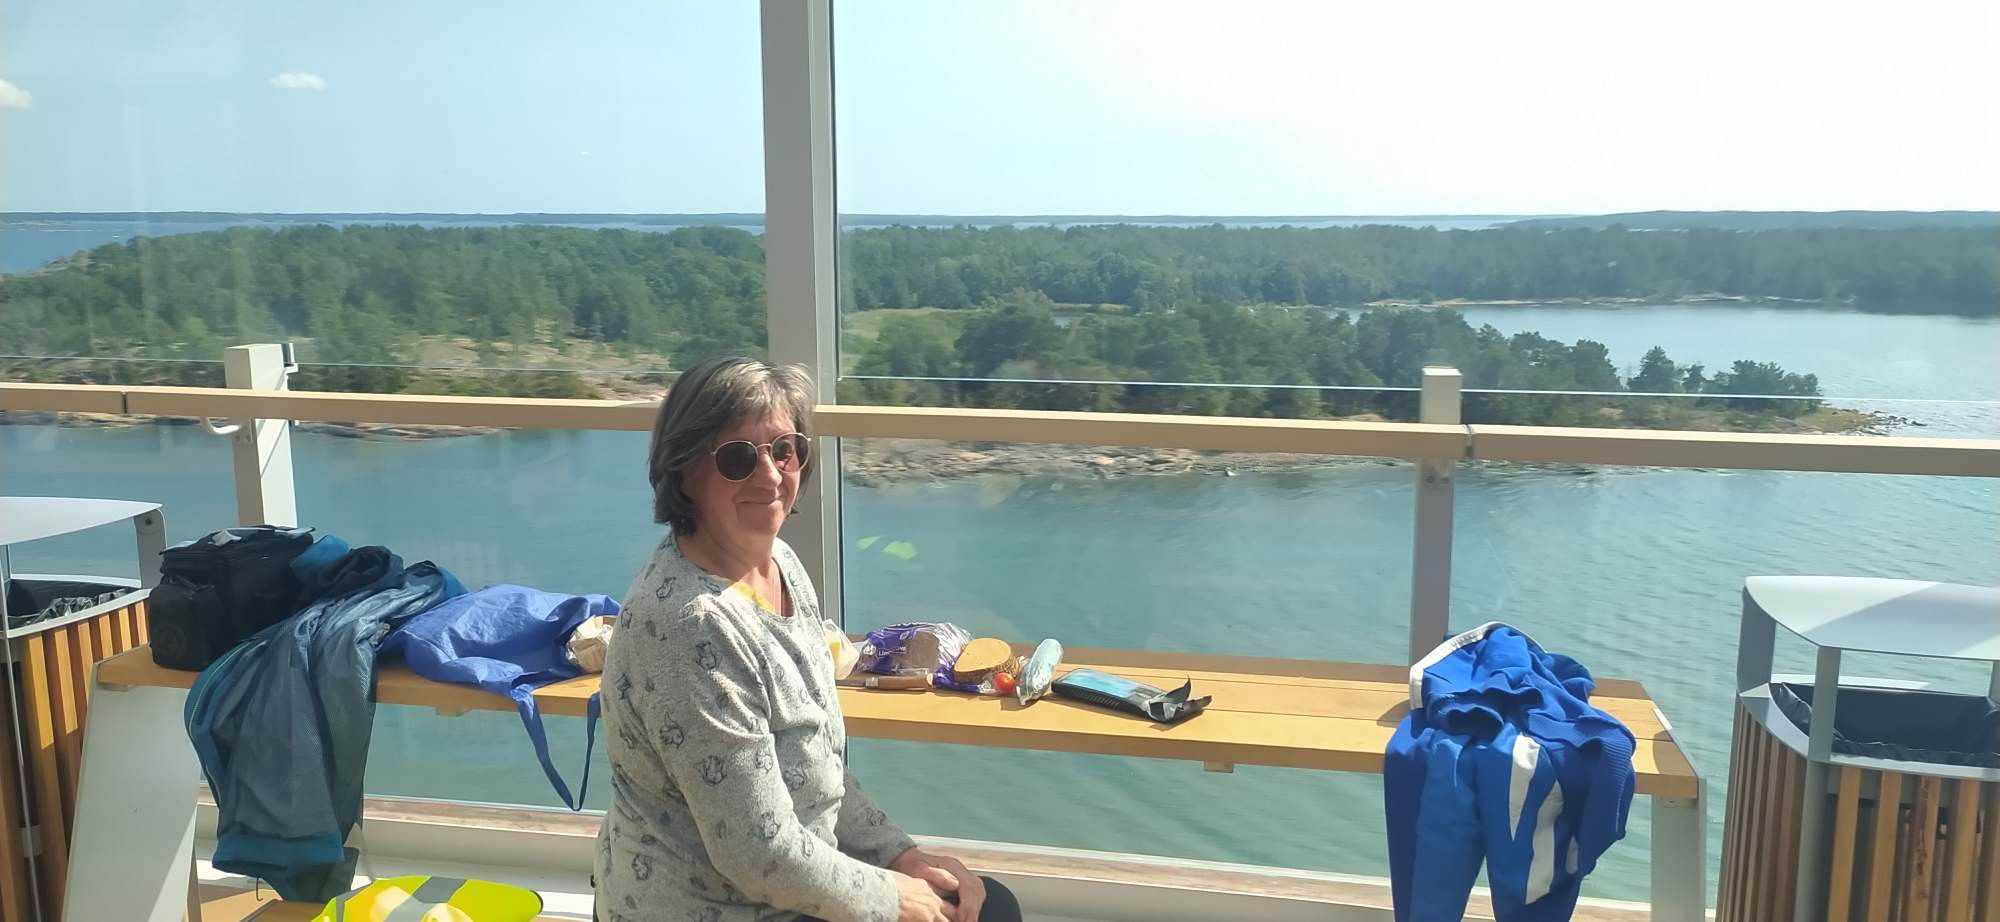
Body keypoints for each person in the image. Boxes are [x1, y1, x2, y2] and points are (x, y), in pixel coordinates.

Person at [595, 356, 1022, 922]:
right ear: (684, 470)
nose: (770, 476)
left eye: (785, 449)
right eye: (737, 457)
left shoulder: (780, 564)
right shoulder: (691, 624)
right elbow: (757, 854)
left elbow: (815, 763)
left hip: (785, 882)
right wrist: (890, 896)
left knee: (986, 904)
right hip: (712, 906)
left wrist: (899, 855)